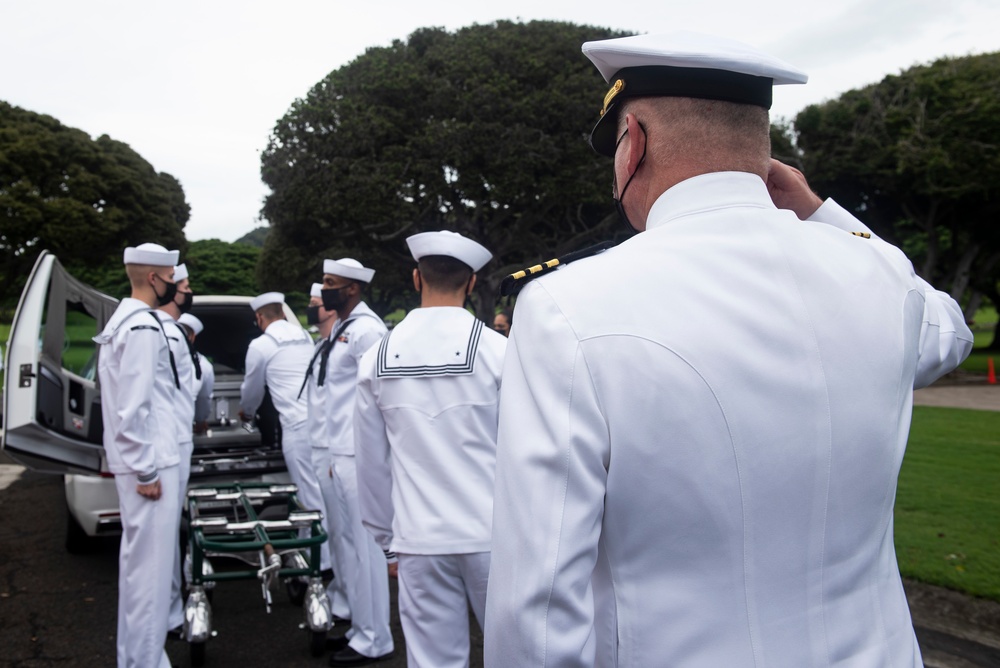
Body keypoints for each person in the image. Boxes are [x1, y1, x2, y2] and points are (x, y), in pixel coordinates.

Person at [484, 31, 974, 668]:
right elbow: (951, 332)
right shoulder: (882, 280)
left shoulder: (565, 306)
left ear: (633, 141)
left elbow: (539, 608)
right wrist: (825, 215)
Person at [355, 231, 506, 668]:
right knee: (518, 653)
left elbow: (370, 463)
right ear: (473, 283)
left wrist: (388, 539)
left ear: (416, 278)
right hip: (495, 533)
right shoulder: (501, 351)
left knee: (433, 661)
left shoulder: (377, 357)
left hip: (418, 535)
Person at [93, 242, 181, 668]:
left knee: (136, 572)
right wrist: (147, 469)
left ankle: (134, 659)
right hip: (151, 464)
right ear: (154, 278)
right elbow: (134, 408)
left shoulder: (120, 320)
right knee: (150, 577)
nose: (173, 286)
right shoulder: (144, 327)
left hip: (136, 462)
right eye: (170, 279)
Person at [313, 259, 394, 667]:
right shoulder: (344, 330)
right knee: (350, 547)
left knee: (366, 550)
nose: (324, 289)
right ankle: (362, 627)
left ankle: (376, 637)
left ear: (352, 290)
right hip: (340, 452)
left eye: (331, 284)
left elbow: (378, 396)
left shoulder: (368, 331)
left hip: (359, 453)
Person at [239, 293, 326, 542]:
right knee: (322, 493)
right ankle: (320, 554)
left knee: (309, 498)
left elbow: (252, 390)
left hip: (296, 429)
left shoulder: (261, 345)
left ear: (259, 317)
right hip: (320, 422)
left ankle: (318, 560)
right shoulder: (304, 337)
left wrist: (247, 413)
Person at [152, 263, 198, 636]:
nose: (188, 291)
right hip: (169, 442)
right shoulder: (161, 332)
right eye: (183, 285)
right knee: (163, 535)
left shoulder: (168, 331)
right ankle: (168, 613)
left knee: (168, 531)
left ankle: (169, 608)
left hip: (179, 437)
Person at [303, 281, 352, 622]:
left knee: (348, 536)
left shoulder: (347, 341)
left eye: (315, 302)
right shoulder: (322, 345)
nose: (311, 308)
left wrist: (338, 452)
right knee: (336, 533)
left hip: (337, 449)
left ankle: (351, 607)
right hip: (320, 445)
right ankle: (342, 599)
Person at [177, 312, 215, 434]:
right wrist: (200, 419)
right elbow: (204, 398)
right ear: (192, 337)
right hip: (183, 427)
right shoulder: (203, 364)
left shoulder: (157, 355)